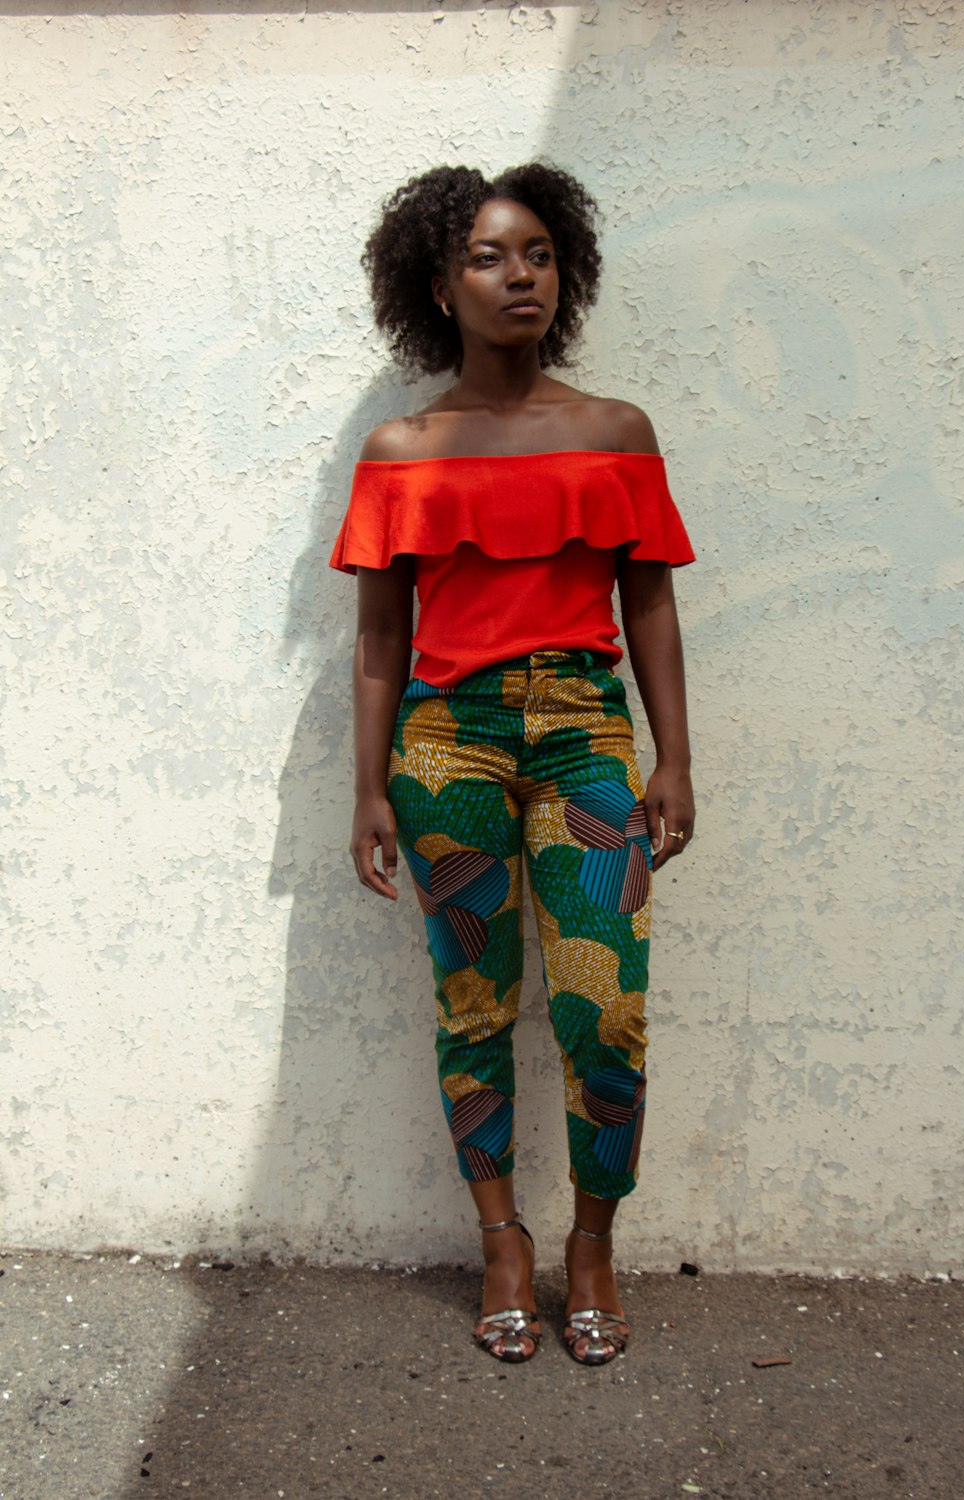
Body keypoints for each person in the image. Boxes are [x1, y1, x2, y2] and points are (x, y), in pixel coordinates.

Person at [330, 163, 695, 1366]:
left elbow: (648, 604)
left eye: (536, 252)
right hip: (446, 744)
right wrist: (368, 783)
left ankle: (592, 1245)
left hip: (586, 732)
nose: (518, 275)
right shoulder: (404, 447)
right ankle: (503, 1243)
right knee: (474, 1007)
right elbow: (383, 634)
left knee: (606, 1013)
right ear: (437, 284)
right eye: (488, 256)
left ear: (564, 271)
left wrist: (672, 761)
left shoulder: (613, 432)